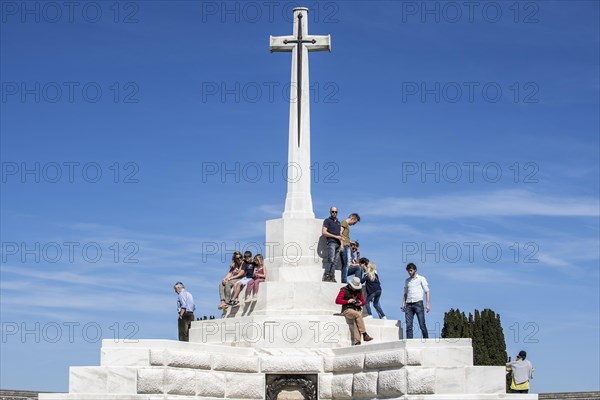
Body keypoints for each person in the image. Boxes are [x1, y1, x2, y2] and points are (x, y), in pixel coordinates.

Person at [335, 276, 374, 345]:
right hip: (347, 309)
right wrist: (347, 301)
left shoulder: (359, 291)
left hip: (356, 309)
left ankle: (357, 342)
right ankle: (365, 334)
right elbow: (337, 300)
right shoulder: (344, 290)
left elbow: (363, 302)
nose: (355, 289)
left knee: (357, 320)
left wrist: (360, 303)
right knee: (358, 315)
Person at [402, 262, 430, 339]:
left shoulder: (421, 278)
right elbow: (405, 293)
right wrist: (403, 303)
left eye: (411, 270)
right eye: (408, 271)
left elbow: (427, 291)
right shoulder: (407, 281)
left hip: (418, 303)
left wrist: (427, 304)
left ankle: (426, 341)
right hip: (408, 305)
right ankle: (410, 343)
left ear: (415, 270)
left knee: (422, 325)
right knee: (408, 325)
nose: (409, 272)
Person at [322, 206, 343, 282]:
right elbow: (324, 232)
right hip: (331, 242)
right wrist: (335, 236)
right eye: (333, 211)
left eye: (336, 212)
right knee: (330, 259)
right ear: (330, 212)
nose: (334, 213)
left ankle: (332, 276)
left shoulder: (338, 222)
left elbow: (340, 234)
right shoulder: (327, 221)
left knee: (335, 262)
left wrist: (341, 243)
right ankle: (326, 276)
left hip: (338, 244)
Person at [340, 213, 360, 283]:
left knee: (347, 264)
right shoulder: (344, 222)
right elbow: (340, 233)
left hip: (347, 245)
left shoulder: (347, 225)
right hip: (345, 245)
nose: (353, 224)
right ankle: (344, 280)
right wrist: (342, 245)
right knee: (346, 264)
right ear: (352, 218)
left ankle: (345, 280)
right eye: (354, 222)